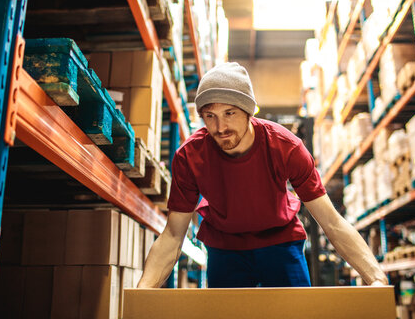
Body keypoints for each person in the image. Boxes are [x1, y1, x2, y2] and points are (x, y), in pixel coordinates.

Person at [137, 62, 387, 288]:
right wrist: (142, 292)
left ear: (249, 111)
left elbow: (331, 221)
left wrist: (375, 277)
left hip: (280, 242)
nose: (220, 127)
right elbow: (172, 234)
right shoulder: (189, 157)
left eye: (229, 113)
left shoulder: (286, 147)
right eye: (210, 117)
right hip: (225, 247)